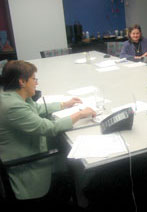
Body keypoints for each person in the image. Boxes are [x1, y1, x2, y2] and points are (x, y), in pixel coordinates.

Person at [0, 60, 96, 202]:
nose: (36, 83)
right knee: (74, 154)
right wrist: (80, 114)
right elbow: (48, 128)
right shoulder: (13, 106)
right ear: (22, 81)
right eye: (34, 79)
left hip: (29, 146)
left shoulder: (12, 95)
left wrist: (64, 104)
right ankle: (82, 197)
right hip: (27, 166)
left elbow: (35, 109)